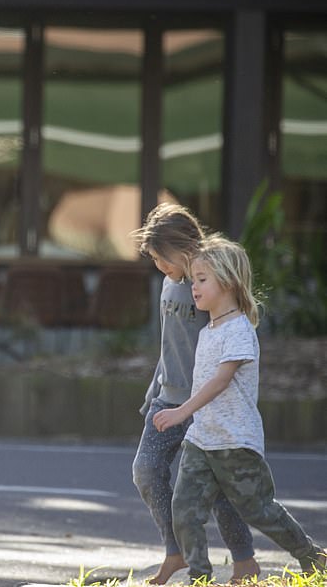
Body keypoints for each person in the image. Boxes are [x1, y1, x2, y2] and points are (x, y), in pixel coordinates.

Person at [153, 236, 326, 582]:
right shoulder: (210, 329)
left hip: (235, 443)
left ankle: (313, 557)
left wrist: (181, 411)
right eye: (194, 279)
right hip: (202, 440)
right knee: (185, 511)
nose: (194, 287)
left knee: (259, 510)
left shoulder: (238, 330)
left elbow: (219, 381)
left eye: (202, 280)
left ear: (229, 282)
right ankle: (199, 576)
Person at [130, 204, 259, 584]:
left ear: (183, 247)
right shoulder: (170, 282)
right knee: (147, 471)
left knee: (216, 486)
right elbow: (170, 344)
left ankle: (245, 561)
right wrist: (155, 389)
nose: (158, 266)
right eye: (153, 259)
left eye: (160, 258)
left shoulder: (208, 282)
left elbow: (229, 338)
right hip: (167, 400)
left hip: (204, 404)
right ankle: (177, 552)